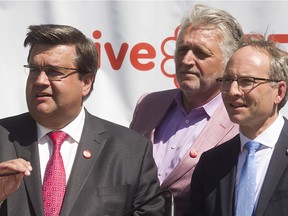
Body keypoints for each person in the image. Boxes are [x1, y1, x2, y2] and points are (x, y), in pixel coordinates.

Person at [0, 24, 165, 216]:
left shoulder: (131, 150)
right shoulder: (3, 137)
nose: (40, 80)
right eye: (34, 70)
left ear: (86, 82)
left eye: (54, 71)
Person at [130, 4, 243, 215]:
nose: (186, 60)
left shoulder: (238, 121)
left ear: (228, 62)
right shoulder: (148, 105)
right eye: (182, 49)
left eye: (201, 53)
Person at [187, 35, 288, 216]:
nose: (232, 91)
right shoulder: (211, 164)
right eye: (227, 81)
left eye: (246, 82)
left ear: (279, 92)